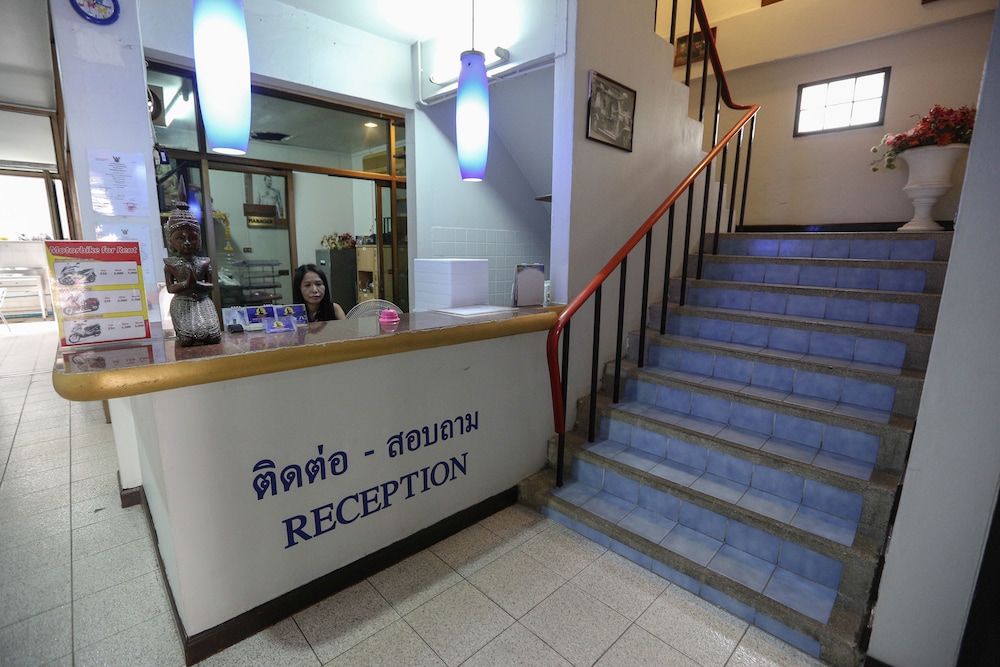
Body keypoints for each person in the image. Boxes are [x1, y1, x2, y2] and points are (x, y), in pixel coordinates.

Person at [163, 203, 222, 346]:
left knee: (213, 336)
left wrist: (197, 284)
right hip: (182, 302)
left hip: (203, 301)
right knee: (186, 339)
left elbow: (211, 285)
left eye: (192, 238)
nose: (187, 242)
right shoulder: (170, 264)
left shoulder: (204, 262)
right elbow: (170, 288)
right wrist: (186, 284)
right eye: (180, 238)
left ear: (199, 240)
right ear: (171, 240)